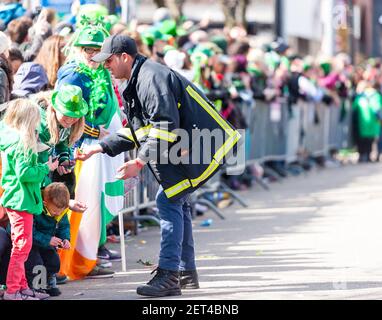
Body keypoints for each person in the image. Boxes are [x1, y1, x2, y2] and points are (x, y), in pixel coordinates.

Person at [77, 34, 241, 297]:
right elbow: (141, 131)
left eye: (108, 60)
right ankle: (185, 273)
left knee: (168, 200)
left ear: (124, 57)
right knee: (176, 200)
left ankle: (169, 275)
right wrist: (101, 147)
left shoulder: (150, 77)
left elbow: (164, 127)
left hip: (202, 146)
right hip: (191, 146)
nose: (105, 66)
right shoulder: (139, 76)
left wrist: (139, 162)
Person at [55, 17, 124, 279]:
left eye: (98, 50)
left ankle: (89, 257)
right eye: (88, 50)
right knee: (80, 207)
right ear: (78, 49)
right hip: (79, 151)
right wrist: (95, 132)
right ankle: (68, 264)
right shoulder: (73, 74)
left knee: (94, 207)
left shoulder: (102, 72)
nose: (93, 55)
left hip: (96, 150)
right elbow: (64, 114)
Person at [0, 99, 58, 300]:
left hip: (21, 199)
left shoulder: (15, 139)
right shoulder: (21, 142)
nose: (38, 123)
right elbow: (25, 173)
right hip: (21, 200)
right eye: (35, 119)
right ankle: (13, 290)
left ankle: (21, 286)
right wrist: (46, 168)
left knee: (23, 245)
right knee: (22, 246)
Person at [25, 182, 71, 297]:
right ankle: (36, 286)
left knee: (54, 262)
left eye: (61, 211)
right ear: (45, 204)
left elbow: (64, 226)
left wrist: (65, 239)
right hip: (32, 244)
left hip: (46, 243)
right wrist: (47, 239)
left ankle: (48, 282)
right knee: (36, 264)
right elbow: (29, 231)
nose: (58, 214)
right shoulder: (35, 209)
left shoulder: (60, 211)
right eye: (55, 212)